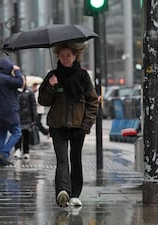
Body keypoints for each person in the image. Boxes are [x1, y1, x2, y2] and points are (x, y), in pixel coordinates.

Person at [38, 42, 98, 208]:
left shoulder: (83, 77)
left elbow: (93, 102)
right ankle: (62, 191)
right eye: (62, 55)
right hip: (57, 126)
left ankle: (75, 194)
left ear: (75, 56)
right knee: (62, 159)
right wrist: (50, 86)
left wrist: (87, 123)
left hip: (78, 126)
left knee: (76, 160)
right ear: (58, 56)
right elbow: (42, 100)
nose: (65, 59)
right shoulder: (52, 75)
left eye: (68, 55)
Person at [0, 58, 23, 166]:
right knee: (17, 132)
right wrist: (17, 71)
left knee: (2, 134)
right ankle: (5, 153)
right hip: (9, 110)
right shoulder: (6, 79)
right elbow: (20, 82)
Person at [14, 75, 37, 160]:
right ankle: (17, 149)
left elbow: (33, 105)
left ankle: (26, 152)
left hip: (27, 117)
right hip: (17, 116)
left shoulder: (29, 92)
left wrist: (34, 118)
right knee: (17, 134)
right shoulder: (15, 91)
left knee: (26, 134)